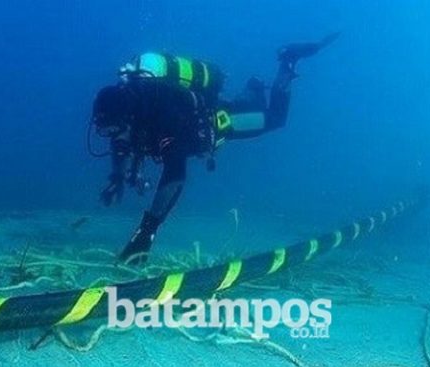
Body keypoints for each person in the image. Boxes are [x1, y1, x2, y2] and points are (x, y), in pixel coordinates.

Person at [90, 33, 339, 264]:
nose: (114, 136)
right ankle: (252, 88)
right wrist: (117, 177)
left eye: (114, 128)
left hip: (217, 122)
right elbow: (121, 141)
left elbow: (175, 176)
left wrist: (148, 230)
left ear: (128, 117)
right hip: (200, 110)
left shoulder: (164, 120)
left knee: (274, 118)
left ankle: (287, 60)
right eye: (107, 131)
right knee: (240, 106)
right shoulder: (130, 110)